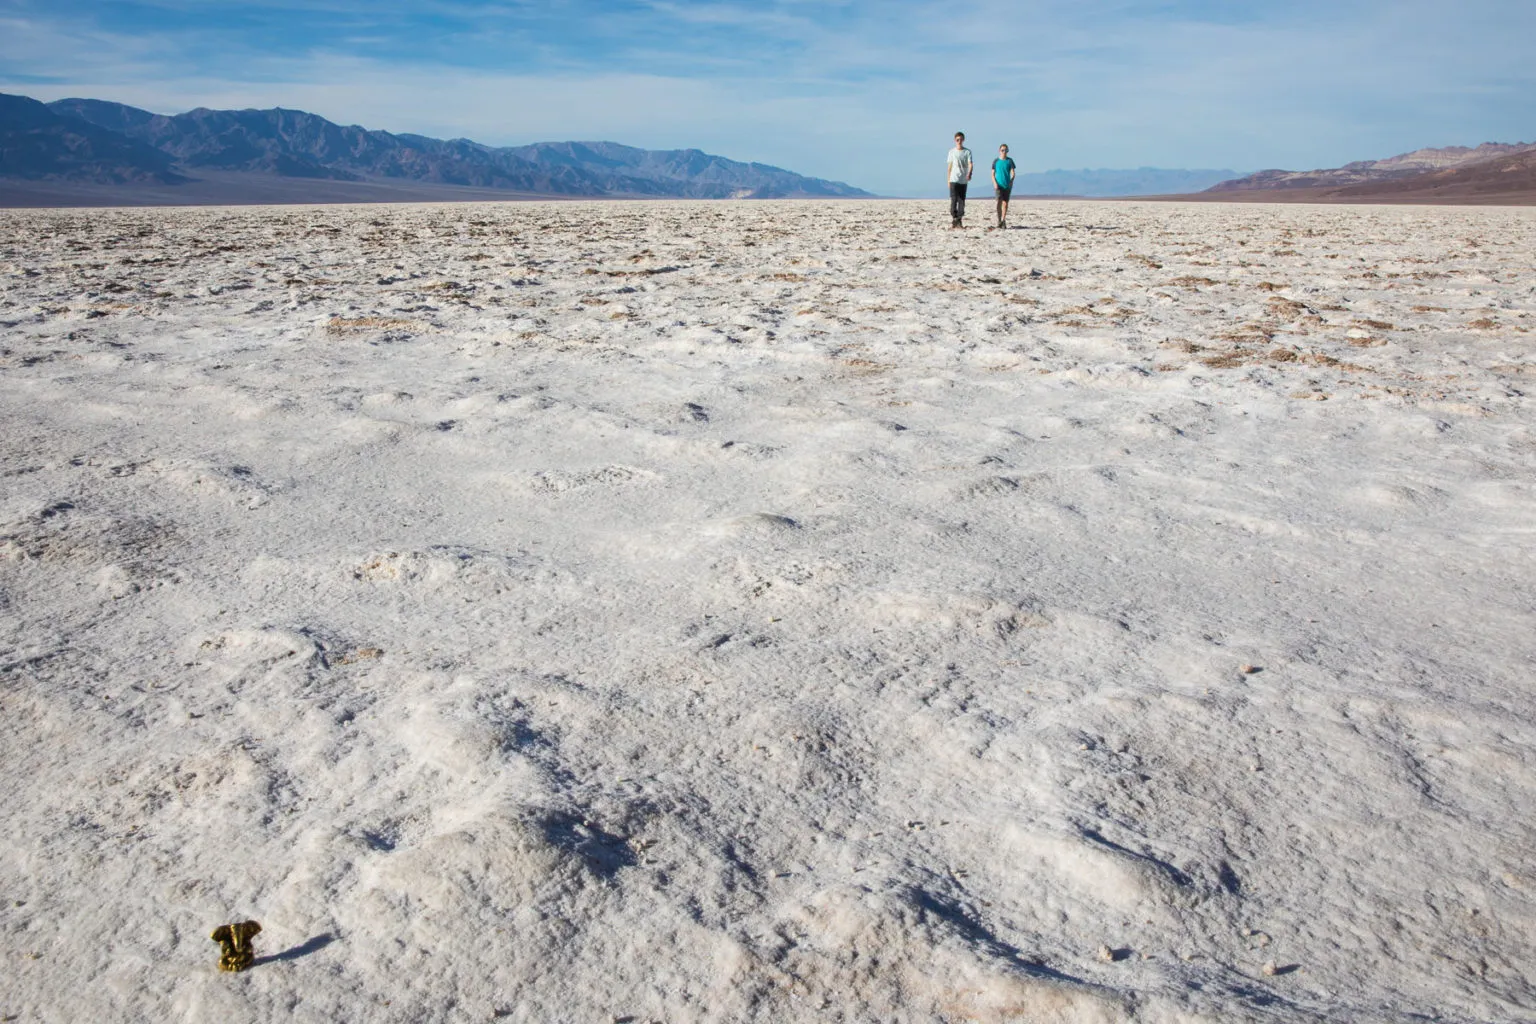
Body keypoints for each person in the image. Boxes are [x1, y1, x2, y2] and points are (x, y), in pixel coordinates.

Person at [946, 131, 973, 228]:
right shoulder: (951, 152)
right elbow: (949, 167)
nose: (959, 141)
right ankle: (954, 218)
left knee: (962, 200)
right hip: (953, 179)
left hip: (963, 180)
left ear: (963, 140)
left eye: (961, 139)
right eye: (957, 140)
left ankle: (959, 219)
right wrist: (948, 180)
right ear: (955, 140)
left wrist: (969, 173)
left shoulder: (967, 152)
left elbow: (970, 164)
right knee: (954, 200)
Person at [992, 143, 1017, 229]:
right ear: (999, 151)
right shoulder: (996, 161)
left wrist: (1011, 181)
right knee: (998, 202)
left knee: (1005, 203)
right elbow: (992, 174)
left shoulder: (1009, 161)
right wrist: (995, 183)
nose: (1004, 152)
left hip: (1007, 185)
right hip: (998, 185)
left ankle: (1003, 220)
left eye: (1006, 150)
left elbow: (1013, 173)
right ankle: (999, 220)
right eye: (1002, 150)